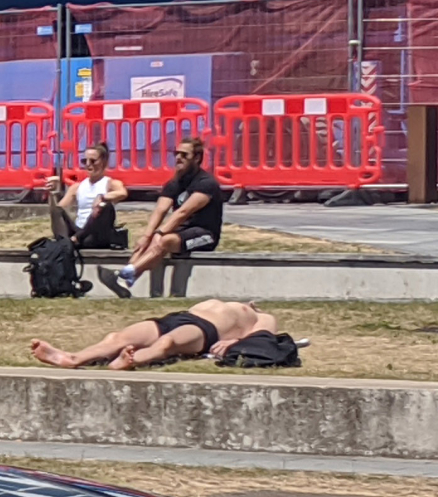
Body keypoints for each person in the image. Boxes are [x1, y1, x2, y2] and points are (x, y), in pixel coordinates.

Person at [107, 134, 225, 295]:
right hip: (181, 232)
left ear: (197, 158)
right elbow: (160, 210)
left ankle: (127, 275)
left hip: (205, 235)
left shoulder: (206, 183)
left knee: (165, 240)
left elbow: (183, 212)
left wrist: (160, 233)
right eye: (176, 153)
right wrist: (147, 235)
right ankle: (125, 281)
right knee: (147, 241)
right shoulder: (174, 183)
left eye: (184, 155)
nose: (178, 158)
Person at [29, 299, 278, 371]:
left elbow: (262, 339)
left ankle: (132, 360)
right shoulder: (224, 302)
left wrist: (235, 341)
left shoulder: (260, 316)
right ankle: (72, 358)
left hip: (207, 331)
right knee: (117, 337)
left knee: (167, 343)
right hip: (178, 317)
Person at [48, 143, 127, 250]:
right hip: (79, 230)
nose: (88, 164)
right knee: (57, 211)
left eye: (93, 161)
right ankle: (67, 242)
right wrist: (52, 193)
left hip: (96, 235)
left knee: (105, 206)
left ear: (103, 162)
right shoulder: (77, 187)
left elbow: (122, 193)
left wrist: (102, 197)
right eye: (85, 161)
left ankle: (75, 239)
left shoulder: (110, 183)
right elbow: (59, 209)